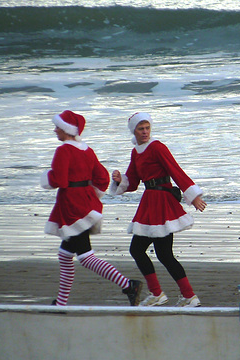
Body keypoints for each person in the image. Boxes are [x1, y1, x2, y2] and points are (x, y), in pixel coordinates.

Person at [41, 110, 143, 306]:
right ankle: (61, 303)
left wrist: (46, 178)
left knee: (86, 257)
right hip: (87, 205)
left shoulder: (63, 151)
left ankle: (129, 285)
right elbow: (103, 178)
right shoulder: (87, 150)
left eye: (57, 127)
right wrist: (90, 192)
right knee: (65, 255)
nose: (55, 130)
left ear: (65, 129)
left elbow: (60, 180)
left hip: (72, 208)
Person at [110, 112, 207, 307]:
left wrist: (193, 196)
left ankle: (166, 294)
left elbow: (175, 170)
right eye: (141, 129)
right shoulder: (136, 152)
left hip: (161, 202)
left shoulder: (157, 147)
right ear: (134, 131)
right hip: (149, 201)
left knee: (143, 250)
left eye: (147, 128)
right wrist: (120, 181)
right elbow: (133, 181)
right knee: (157, 253)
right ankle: (183, 296)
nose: (145, 132)